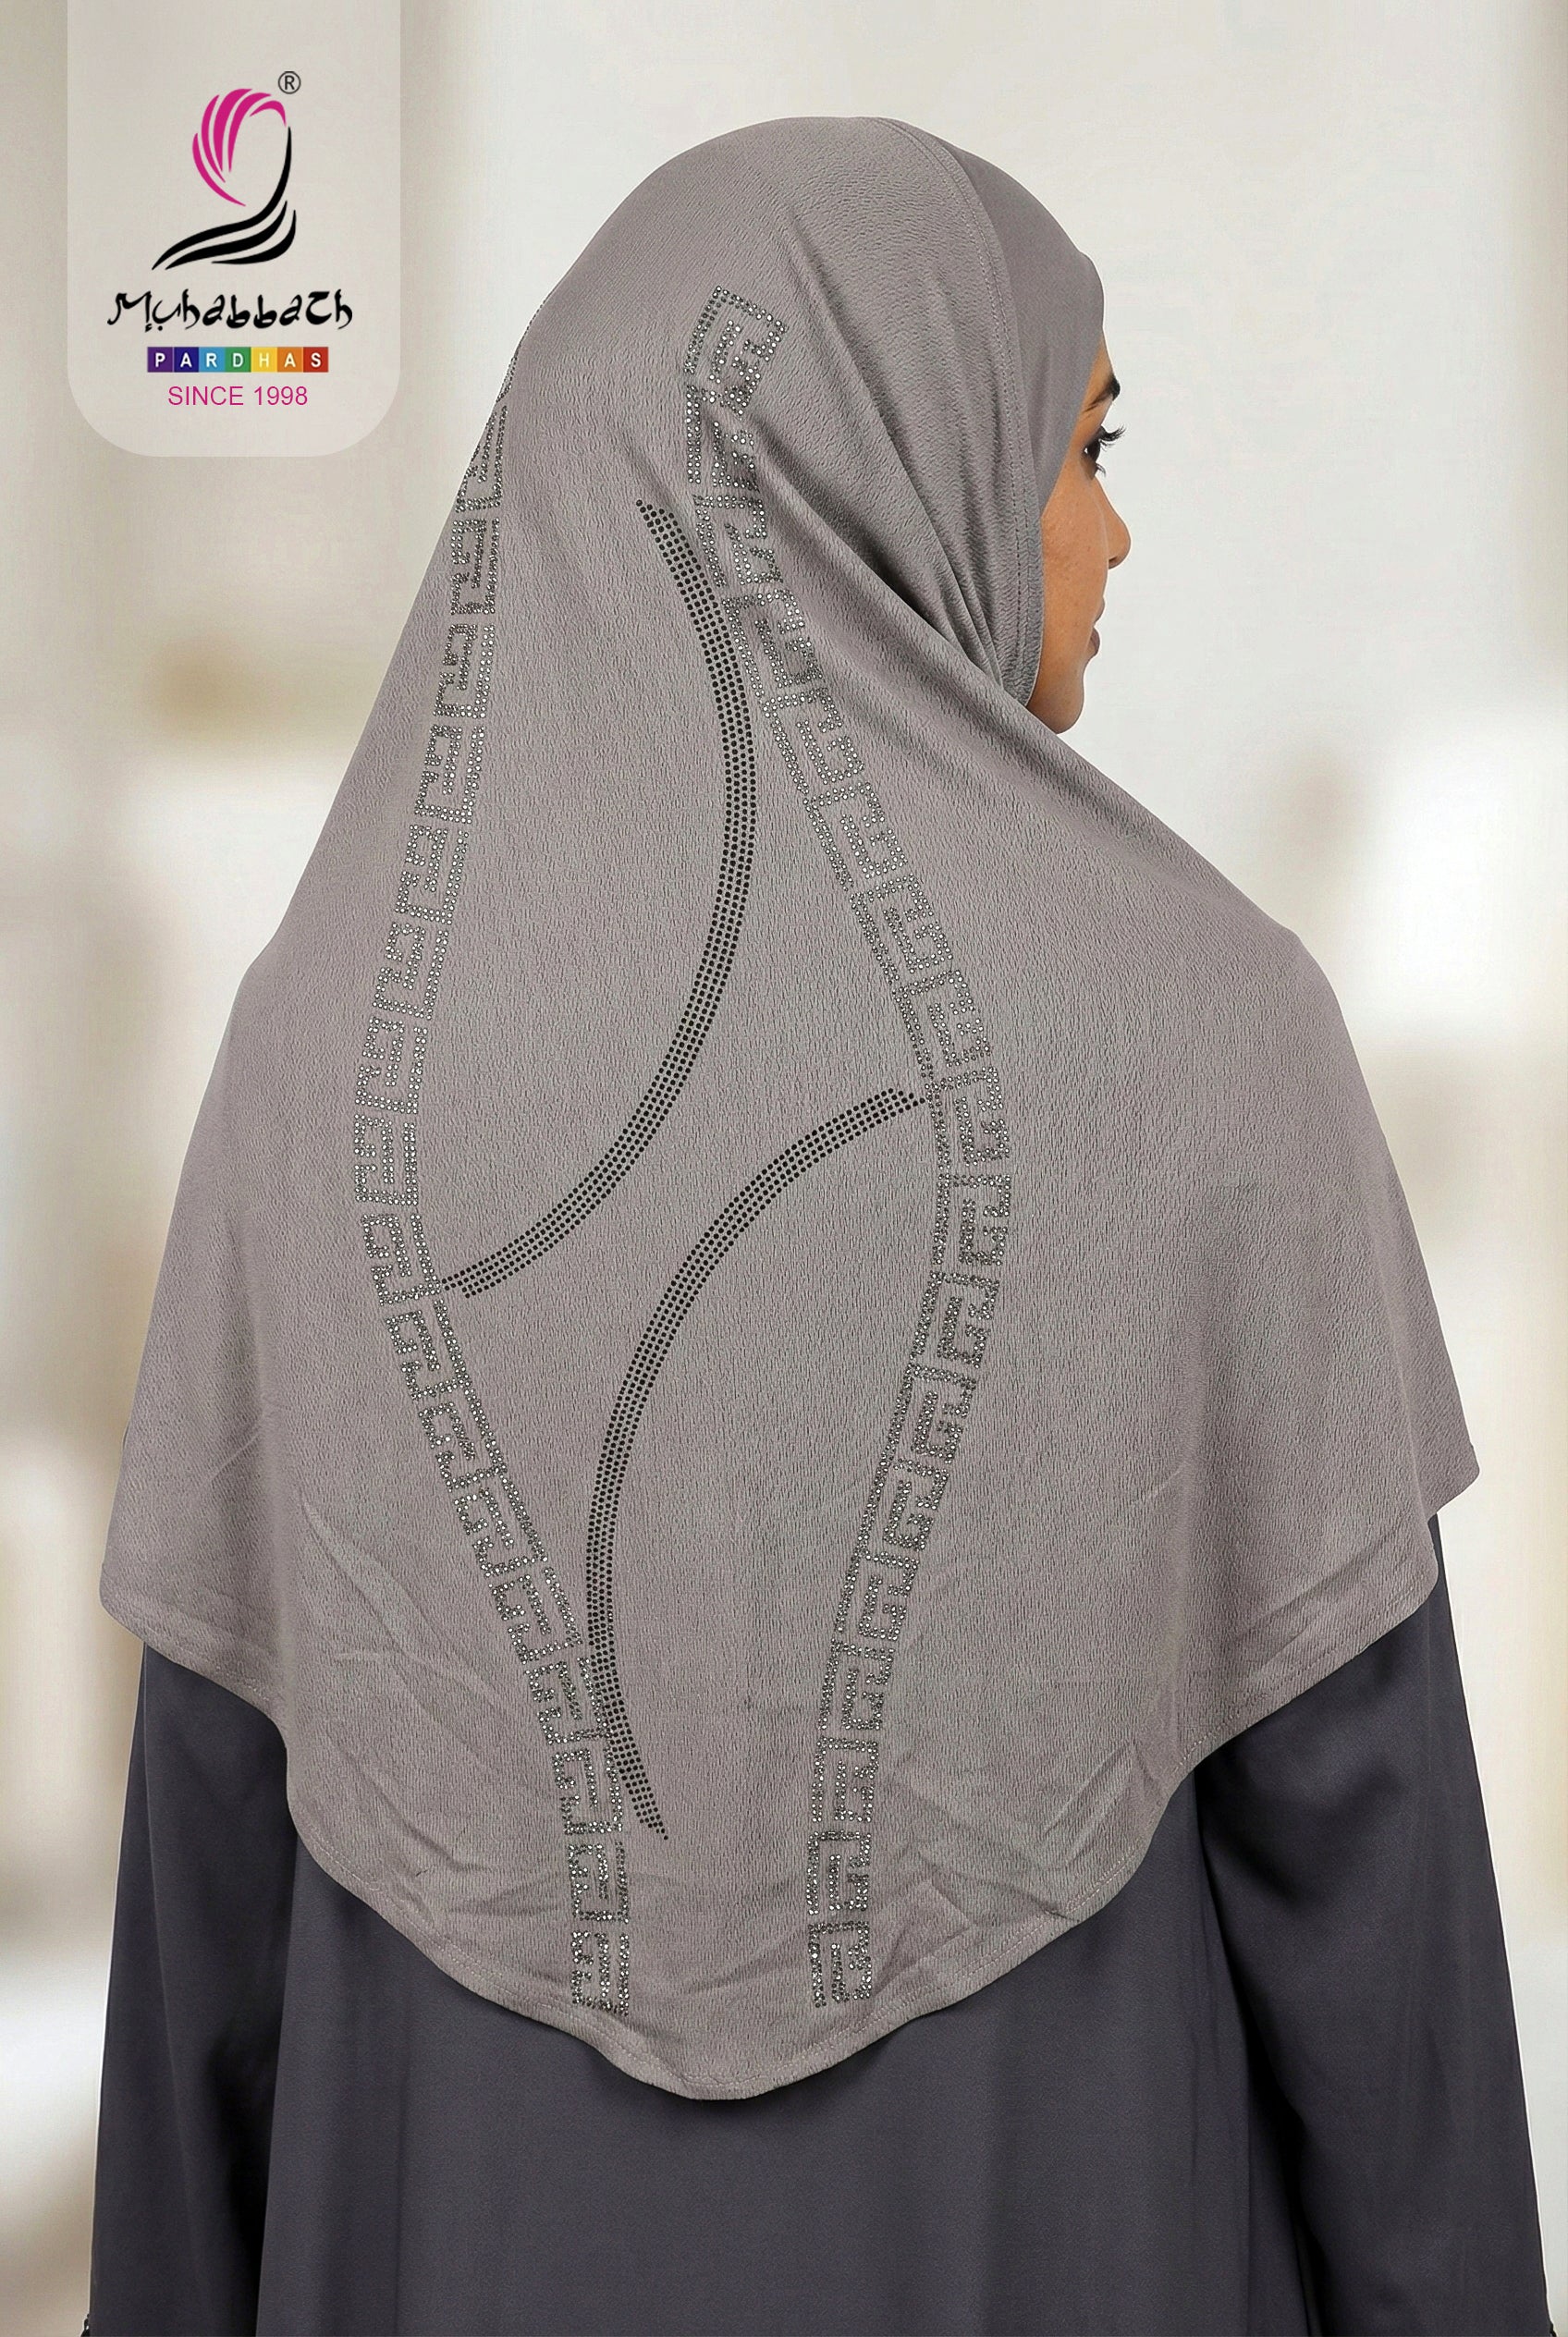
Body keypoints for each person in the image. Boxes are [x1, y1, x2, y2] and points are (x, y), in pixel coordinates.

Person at [85, 117, 1554, 2334]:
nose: (1108, 528)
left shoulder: (326, 1044)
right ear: (880, 446)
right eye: (1078, 448)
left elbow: (210, 1878)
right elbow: (1369, 1883)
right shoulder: (1207, 1027)